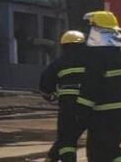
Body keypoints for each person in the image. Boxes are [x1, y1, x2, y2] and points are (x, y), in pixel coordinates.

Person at [78, 10, 121, 162]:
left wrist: (80, 113)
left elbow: (90, 87)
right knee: (112, 147)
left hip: (103, 113)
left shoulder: (97, 56)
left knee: (98, 150)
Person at [38, 29, 87, 161]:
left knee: (66, 139)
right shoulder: (91, 61)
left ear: (64, 46)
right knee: (81, 136)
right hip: (89, 104)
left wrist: (49, 95)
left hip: (68, 106)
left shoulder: (59, 62)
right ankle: (51, 158)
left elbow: (45, 82)